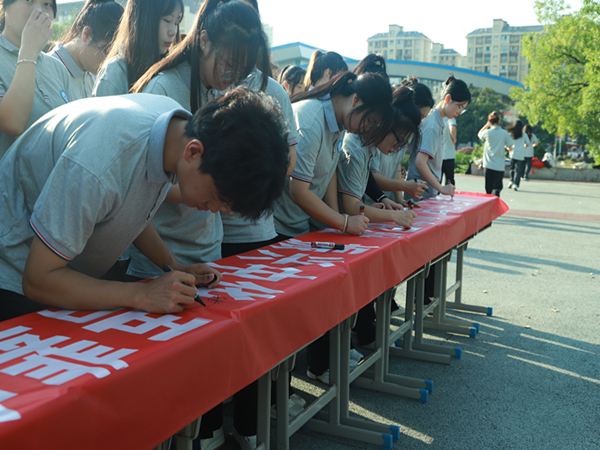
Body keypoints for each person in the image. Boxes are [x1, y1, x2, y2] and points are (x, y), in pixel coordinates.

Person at [131, 2, 289, 448]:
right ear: (202, 39)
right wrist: (216, 196)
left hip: (199, 248)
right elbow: (160, 181)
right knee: (158, 379)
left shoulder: (221, 90)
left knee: (201, 370)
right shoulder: (166, 88)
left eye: (241, 69)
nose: (231, 75)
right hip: (156, 247)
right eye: (227, 62)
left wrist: (220, 201)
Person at [0, 88, 290, 323]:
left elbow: (129, 208)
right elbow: (38, 280)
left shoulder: (173, 132)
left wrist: (174, 265)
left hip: (59, 267)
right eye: (219, 198)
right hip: (14, 269)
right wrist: (140, 295)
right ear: (194, 152)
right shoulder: (100, 165)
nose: (214, 209)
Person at [273, 71, 396, 383]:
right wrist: (342, 221)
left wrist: (338, 222)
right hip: (278, 228)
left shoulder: (339, 120)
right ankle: (284, 391)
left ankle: (317, 369)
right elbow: (297, 191)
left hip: (301, 226)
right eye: (367, 122)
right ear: (356, 100)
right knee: (283, 321)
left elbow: (328, 175)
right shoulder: (312, 119)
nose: (365, 130)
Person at [0, 0, 73, 158]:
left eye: (47, 4)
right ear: (5, 5)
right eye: (29, 1)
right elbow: (13, 123)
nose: (39, 11)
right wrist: (29, 51)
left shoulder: (57, 68)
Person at [92, 0, 183, 96]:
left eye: (176, 23)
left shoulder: (171, 70)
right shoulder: (114, 74)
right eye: (167, 20)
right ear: (144, 19)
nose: (173, 32)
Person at [367, 77, 433, 204]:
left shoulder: (401, 137)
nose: (419, 123)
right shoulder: (379, 138)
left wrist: (400, 199)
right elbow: (371, 178)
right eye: (420, 117)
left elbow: (397, 167)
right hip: (371, 204)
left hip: (387, 203)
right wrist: (404, 186)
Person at [405, 75, 470, 202]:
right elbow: (420, 162)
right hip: (420, 195)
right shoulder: (432, 125)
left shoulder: (436, 121)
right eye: (460, 106)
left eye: (463, 108)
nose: (460, 112)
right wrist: (441, 188)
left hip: (423, 193)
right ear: (448, 98)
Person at [48, 0, 122, 100]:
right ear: (86, 35)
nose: (108, 62)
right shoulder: (48, 70)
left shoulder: (92, 73)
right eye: (106, 52)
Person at [478, 111, 512, 197]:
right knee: (497, 187)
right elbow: (510, 147)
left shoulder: (487, 132)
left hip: (488, 164)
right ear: (499, 121)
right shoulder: (505, 133)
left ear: (490, 122)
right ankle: (495, 201)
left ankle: (488, 205)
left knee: (488, 188)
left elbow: (479, 134)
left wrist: (486, 125)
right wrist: (505, 147)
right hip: (499, 165)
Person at [506, 119, 529, 191]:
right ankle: (515, 184)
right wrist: (524, 146)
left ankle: (511, 181)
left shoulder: (511, 134)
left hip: (512, 154)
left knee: (512, 169)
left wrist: (508, 148)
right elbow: (528, 144)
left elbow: (507, 144)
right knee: (518, 170)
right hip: (520, 155)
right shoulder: (524, 135)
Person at [441, 115, 457, 186]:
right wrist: (454, 139)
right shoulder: (450, 118)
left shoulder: (438, 117)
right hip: (449, 155)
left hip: (438, 155)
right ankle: (449, 196)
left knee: (436, 180)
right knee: (449, 180)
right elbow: (453, 128)